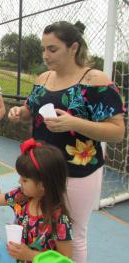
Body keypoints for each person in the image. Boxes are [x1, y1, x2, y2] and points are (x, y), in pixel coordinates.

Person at [8, 21, 125, 263]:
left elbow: (117, 131)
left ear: (73, 48)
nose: (45, 55)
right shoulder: (43, 78)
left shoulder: (95, 80)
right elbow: (31, 109)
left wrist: (75, 124)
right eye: (43, 49)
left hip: (77, 172)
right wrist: (20, 111)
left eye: (52, 49)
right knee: (43, 227)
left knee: (74, 234)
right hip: (42, 169)